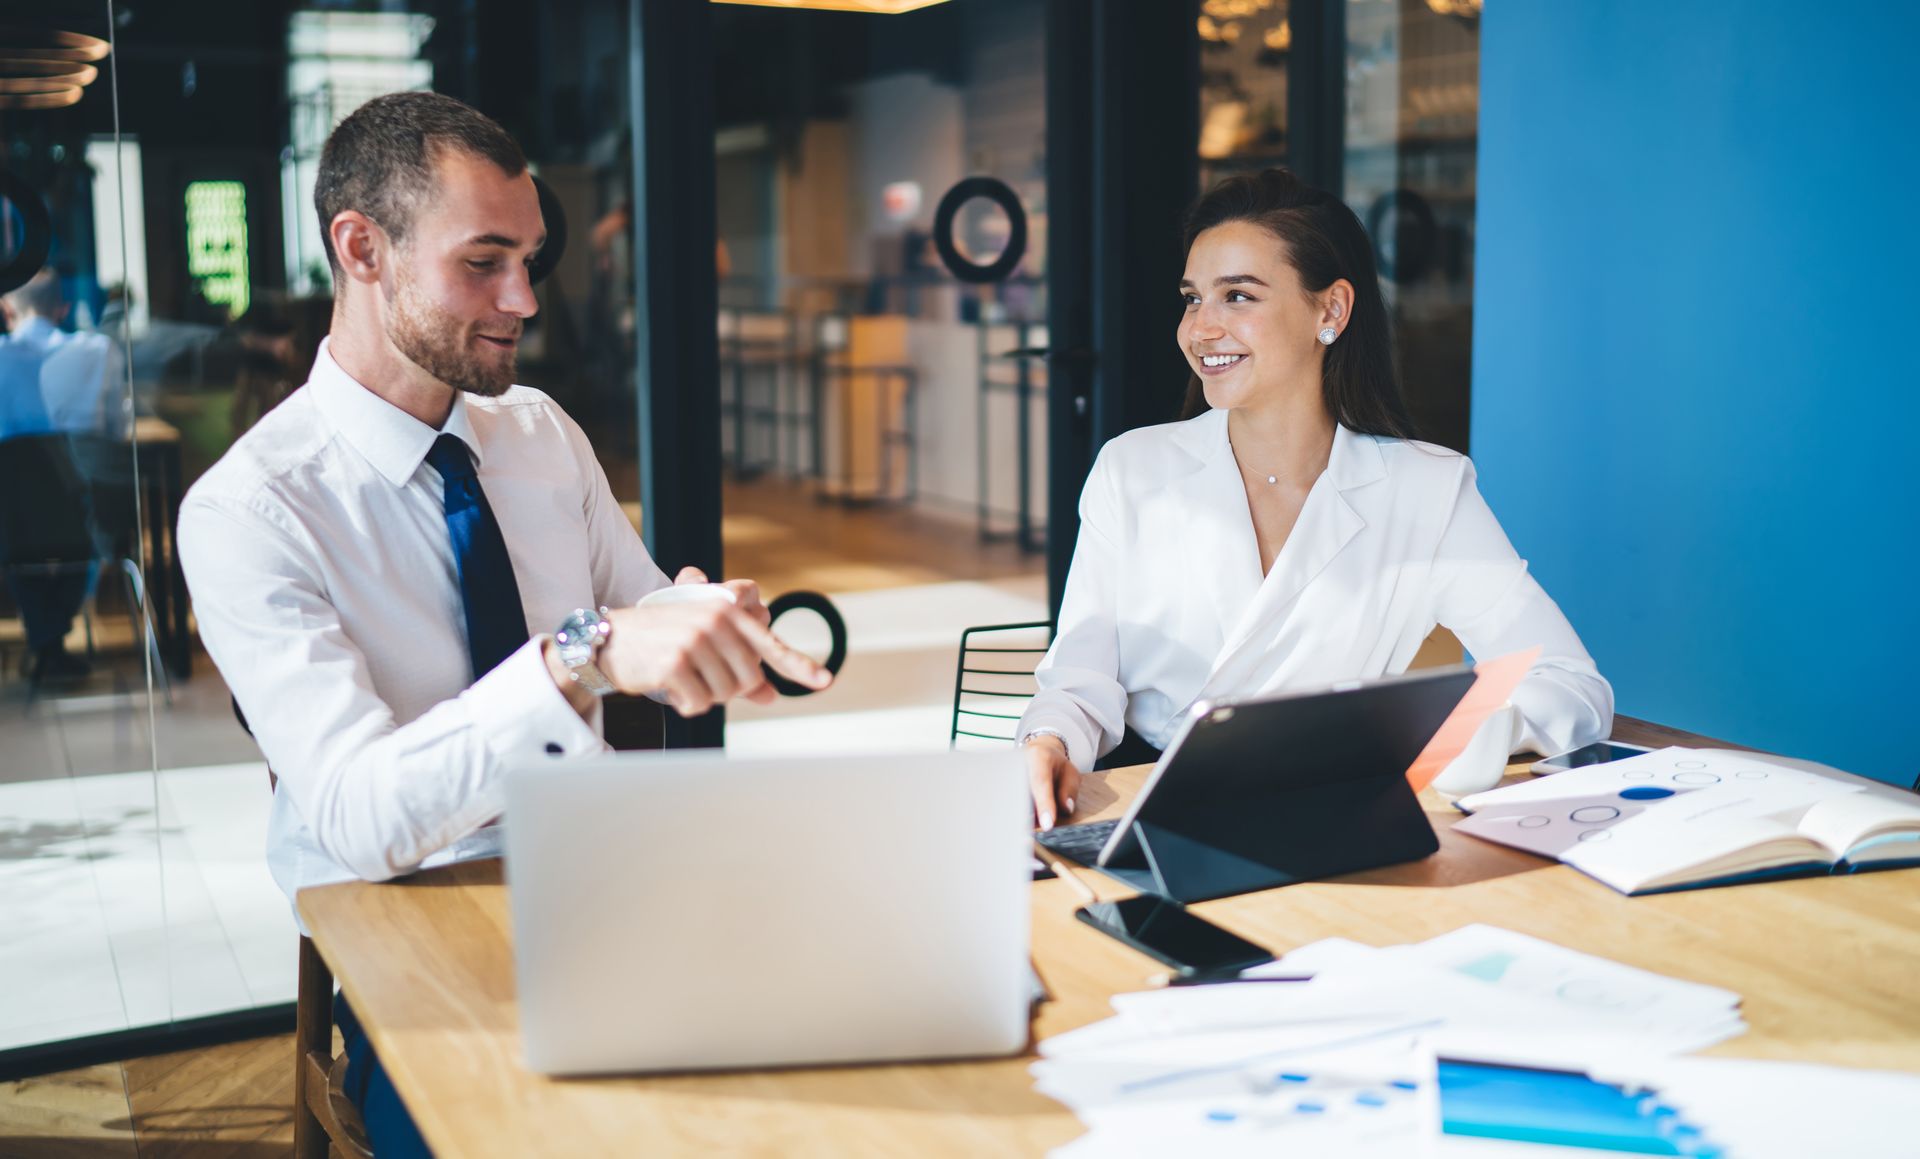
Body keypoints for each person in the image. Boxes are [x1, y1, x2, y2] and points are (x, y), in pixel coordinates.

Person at [177, 91, 830, 1157]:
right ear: (362, 248)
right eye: (483, 261)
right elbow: (356, 815)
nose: (523, 297)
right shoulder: (251, 510)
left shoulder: (536, 431)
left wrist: (696, 616)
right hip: (411, 921)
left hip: (605, 873)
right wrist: (587, 653)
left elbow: (636, 601)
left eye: (530, 258)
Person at [1016, 168, 1612, 828]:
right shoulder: (1132, 470)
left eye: (1237, 296)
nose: (1201, 328)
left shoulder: (1425, 490)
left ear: (1330, 310)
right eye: (1192, 298)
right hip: (1147, 812)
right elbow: (1081, 679)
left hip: (1330, 818)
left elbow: (1572, 685)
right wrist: (1049, 740)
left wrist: (1444, 730)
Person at [0, 269, 128, 686]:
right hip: (88, 518)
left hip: (12, 524)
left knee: (20, 536)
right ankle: (50, 638)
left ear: (6, 309)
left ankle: (44, 640)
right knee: (82, 529)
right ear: (64, 307)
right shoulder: (97, 351)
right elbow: (116, 433)